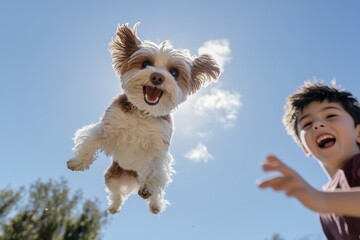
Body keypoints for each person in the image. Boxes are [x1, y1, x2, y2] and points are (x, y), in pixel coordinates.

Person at [257, 81, 360, 239]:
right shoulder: (322, 210)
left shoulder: (322, 199)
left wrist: (322, 200)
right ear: (305, 148)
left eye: (331, 115)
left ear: (358, 132)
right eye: (307, 123)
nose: (318, 124)